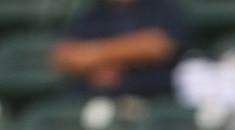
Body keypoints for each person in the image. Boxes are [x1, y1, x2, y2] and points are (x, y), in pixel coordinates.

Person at [51, 0, 189, 98]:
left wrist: (95, 57)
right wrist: (116, 57)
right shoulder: (93, 12)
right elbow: (62, 55)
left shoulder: (161, 7)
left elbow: (156, 45)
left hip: (155, 97)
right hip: (97, 100)